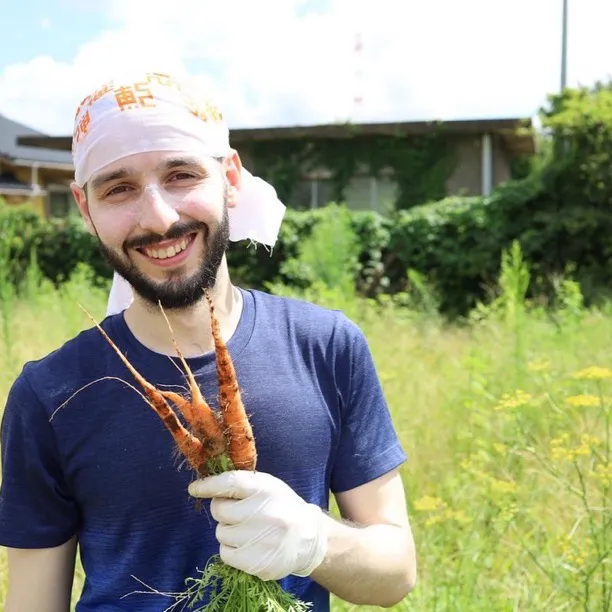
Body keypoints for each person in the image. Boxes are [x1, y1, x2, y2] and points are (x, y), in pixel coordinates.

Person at [0, 70, 417, 612]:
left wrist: (316, 541)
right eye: (119, 188)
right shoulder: (47, 392)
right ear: (85, 208)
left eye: (181, 174)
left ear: (231, 179)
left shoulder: (326, 346)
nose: (159, 216)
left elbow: (395, 576)